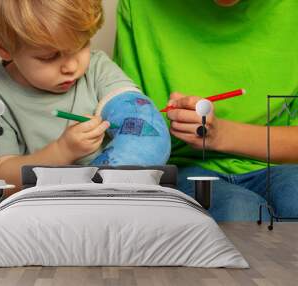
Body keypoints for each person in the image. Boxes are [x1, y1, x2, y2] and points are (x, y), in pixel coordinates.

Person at [114, 0, 298, 221]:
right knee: (239, 213)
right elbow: (127, 129)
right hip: (184, 169)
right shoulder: (138, 7)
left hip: (282, 168)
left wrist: (220, 134)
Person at [0, 0, 170, 195]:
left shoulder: (97, 67)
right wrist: (62, 151)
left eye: (81, 46)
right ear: (3, 47)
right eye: (49, 57)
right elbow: (1, 180)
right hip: (38, 206)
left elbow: (145, 126)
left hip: (108, 200)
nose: (72, 67)